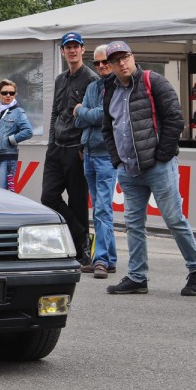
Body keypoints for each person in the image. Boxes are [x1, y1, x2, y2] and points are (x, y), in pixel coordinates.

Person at [101, 40, 196, 296]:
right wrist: (117, 160)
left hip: (158, 166)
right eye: (116, 60)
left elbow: (175, 119)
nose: (122, 63)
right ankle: (137, 277)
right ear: (110, 65)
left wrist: (162, 156)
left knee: (174, 219)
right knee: (133, 224)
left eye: (125, 57)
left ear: (132, 56)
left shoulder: (154, 81)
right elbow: (108, 128)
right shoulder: (110, 91)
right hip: (129, 169)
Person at [42, 32, 97, 266]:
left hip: (77, 148)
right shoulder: (59, 79)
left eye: (76, 46)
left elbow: (92, 115)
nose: (72, 50)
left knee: (77, 201)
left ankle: (81, 249)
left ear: (83, 50)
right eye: (68, 47)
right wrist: (51, 140)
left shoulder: (91, 79)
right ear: (62, 51)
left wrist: (83, 145)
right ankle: (80, 236)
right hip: (57, 147)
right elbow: (56, 111)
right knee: (48, 197)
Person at [73, 45, 119, 279]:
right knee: (100, 209)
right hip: (89, 153)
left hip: (106, 155)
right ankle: (108, 259)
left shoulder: (118, 86)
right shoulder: (93, 86)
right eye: (97, 63)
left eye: (105, 62)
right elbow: (81, 123)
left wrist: (82, 110)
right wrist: (86, 113)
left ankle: (100, 259)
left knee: (102, 208)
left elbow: (102, 116)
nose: (101, 66)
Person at [0, 80, 33, 191]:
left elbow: (28, 131)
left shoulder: (18, 112)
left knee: (4, 194)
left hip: (7, 159)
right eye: (5, 93)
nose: (8, 95)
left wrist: (11, 140)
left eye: (12, 93)